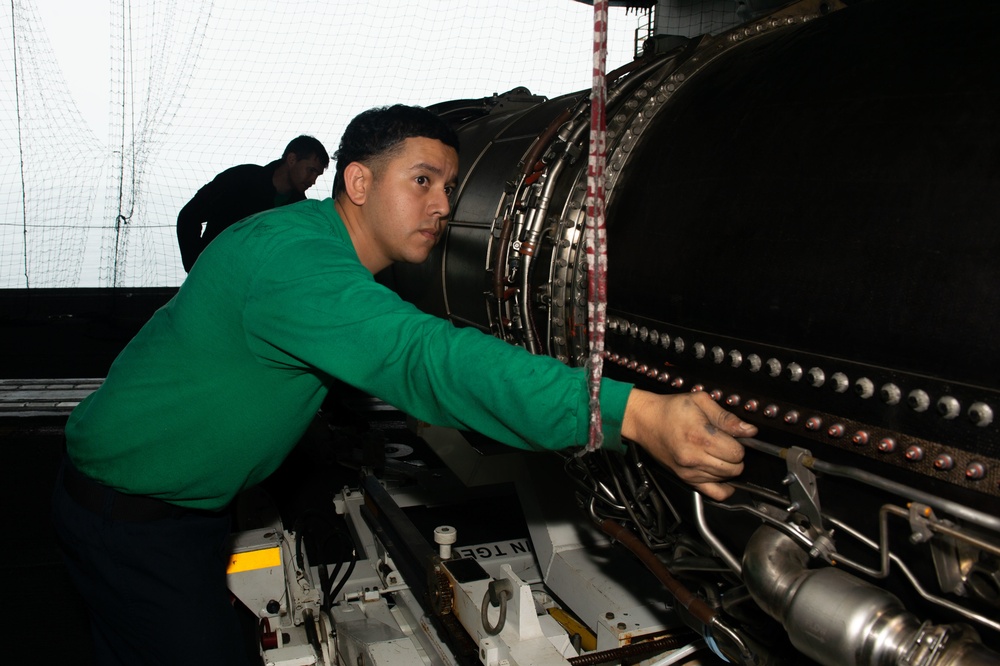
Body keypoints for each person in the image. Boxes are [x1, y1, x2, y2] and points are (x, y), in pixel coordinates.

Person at [52, 105, 755, 666]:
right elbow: (424, 358)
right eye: (422, 181)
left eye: (449, 186)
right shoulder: (297, 262)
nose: (444, 204)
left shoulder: (307, 242)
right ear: (358, 183)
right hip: (135, 521)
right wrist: (627, 412)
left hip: (170, 506)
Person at [176, 135, 329, 272]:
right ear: (291, 160)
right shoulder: (240, 179)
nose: (313, 181)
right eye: (311, 170)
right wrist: (196, 267)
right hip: (214, 283)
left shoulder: (300, 210)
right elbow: (189, 216)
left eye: (317, 174)